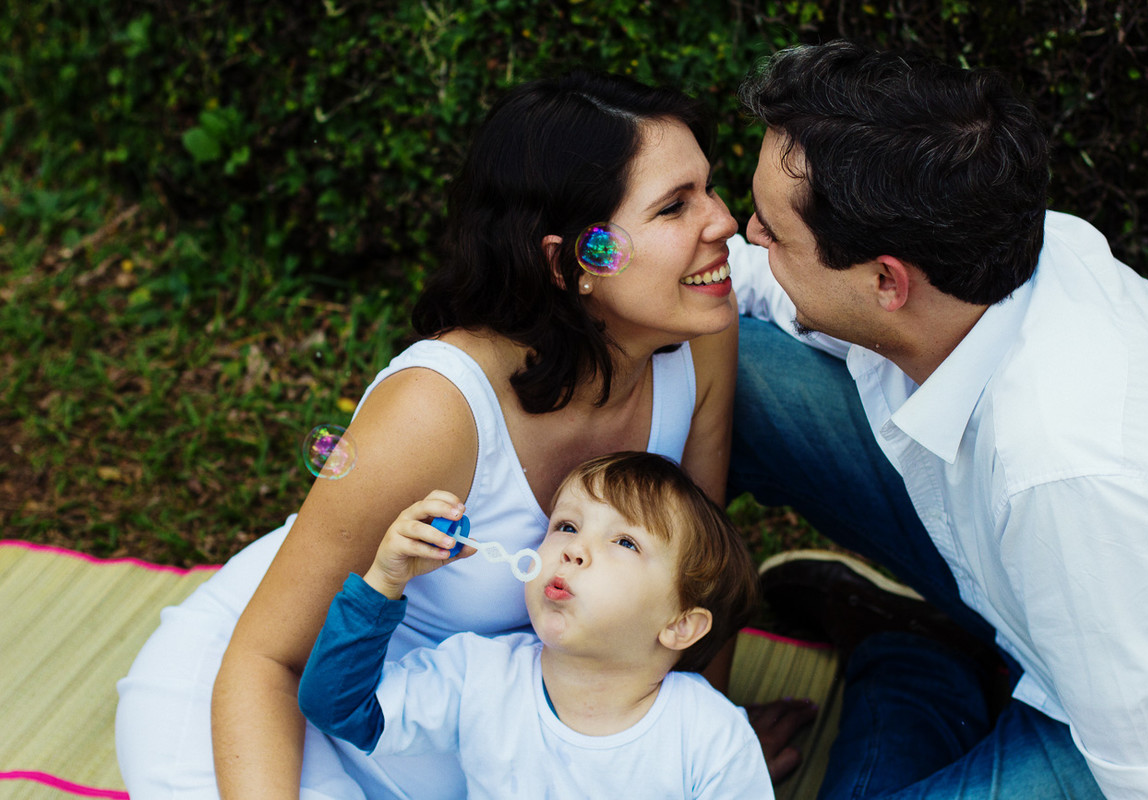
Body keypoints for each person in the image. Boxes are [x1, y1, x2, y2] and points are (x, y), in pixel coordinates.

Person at [115, 70, 745, 799]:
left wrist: (704, 743)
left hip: (478, 741)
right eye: (674, 206)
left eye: (709, 187)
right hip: (279, 708)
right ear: (569, 261)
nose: (723, 220)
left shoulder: (698, 338)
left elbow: (700, 574)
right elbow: (264, 663)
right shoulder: (436, 408)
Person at [727, 40, 1148, 799]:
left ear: (886, 281)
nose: (745, 234)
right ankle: (935, 652)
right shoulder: (965, 257)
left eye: (771, 231)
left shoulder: (1072, 474)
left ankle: (916, 672)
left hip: (1119, 721)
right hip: (1019, 581)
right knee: (732, 365)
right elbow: (764, 283)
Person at [297, 451, 772, 799]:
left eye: (625, 542)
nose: (573, 549)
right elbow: (337, 709)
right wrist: (384, 580)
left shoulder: (711, 738)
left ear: (681, 626)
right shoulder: (480, 675)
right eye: (566, 526)